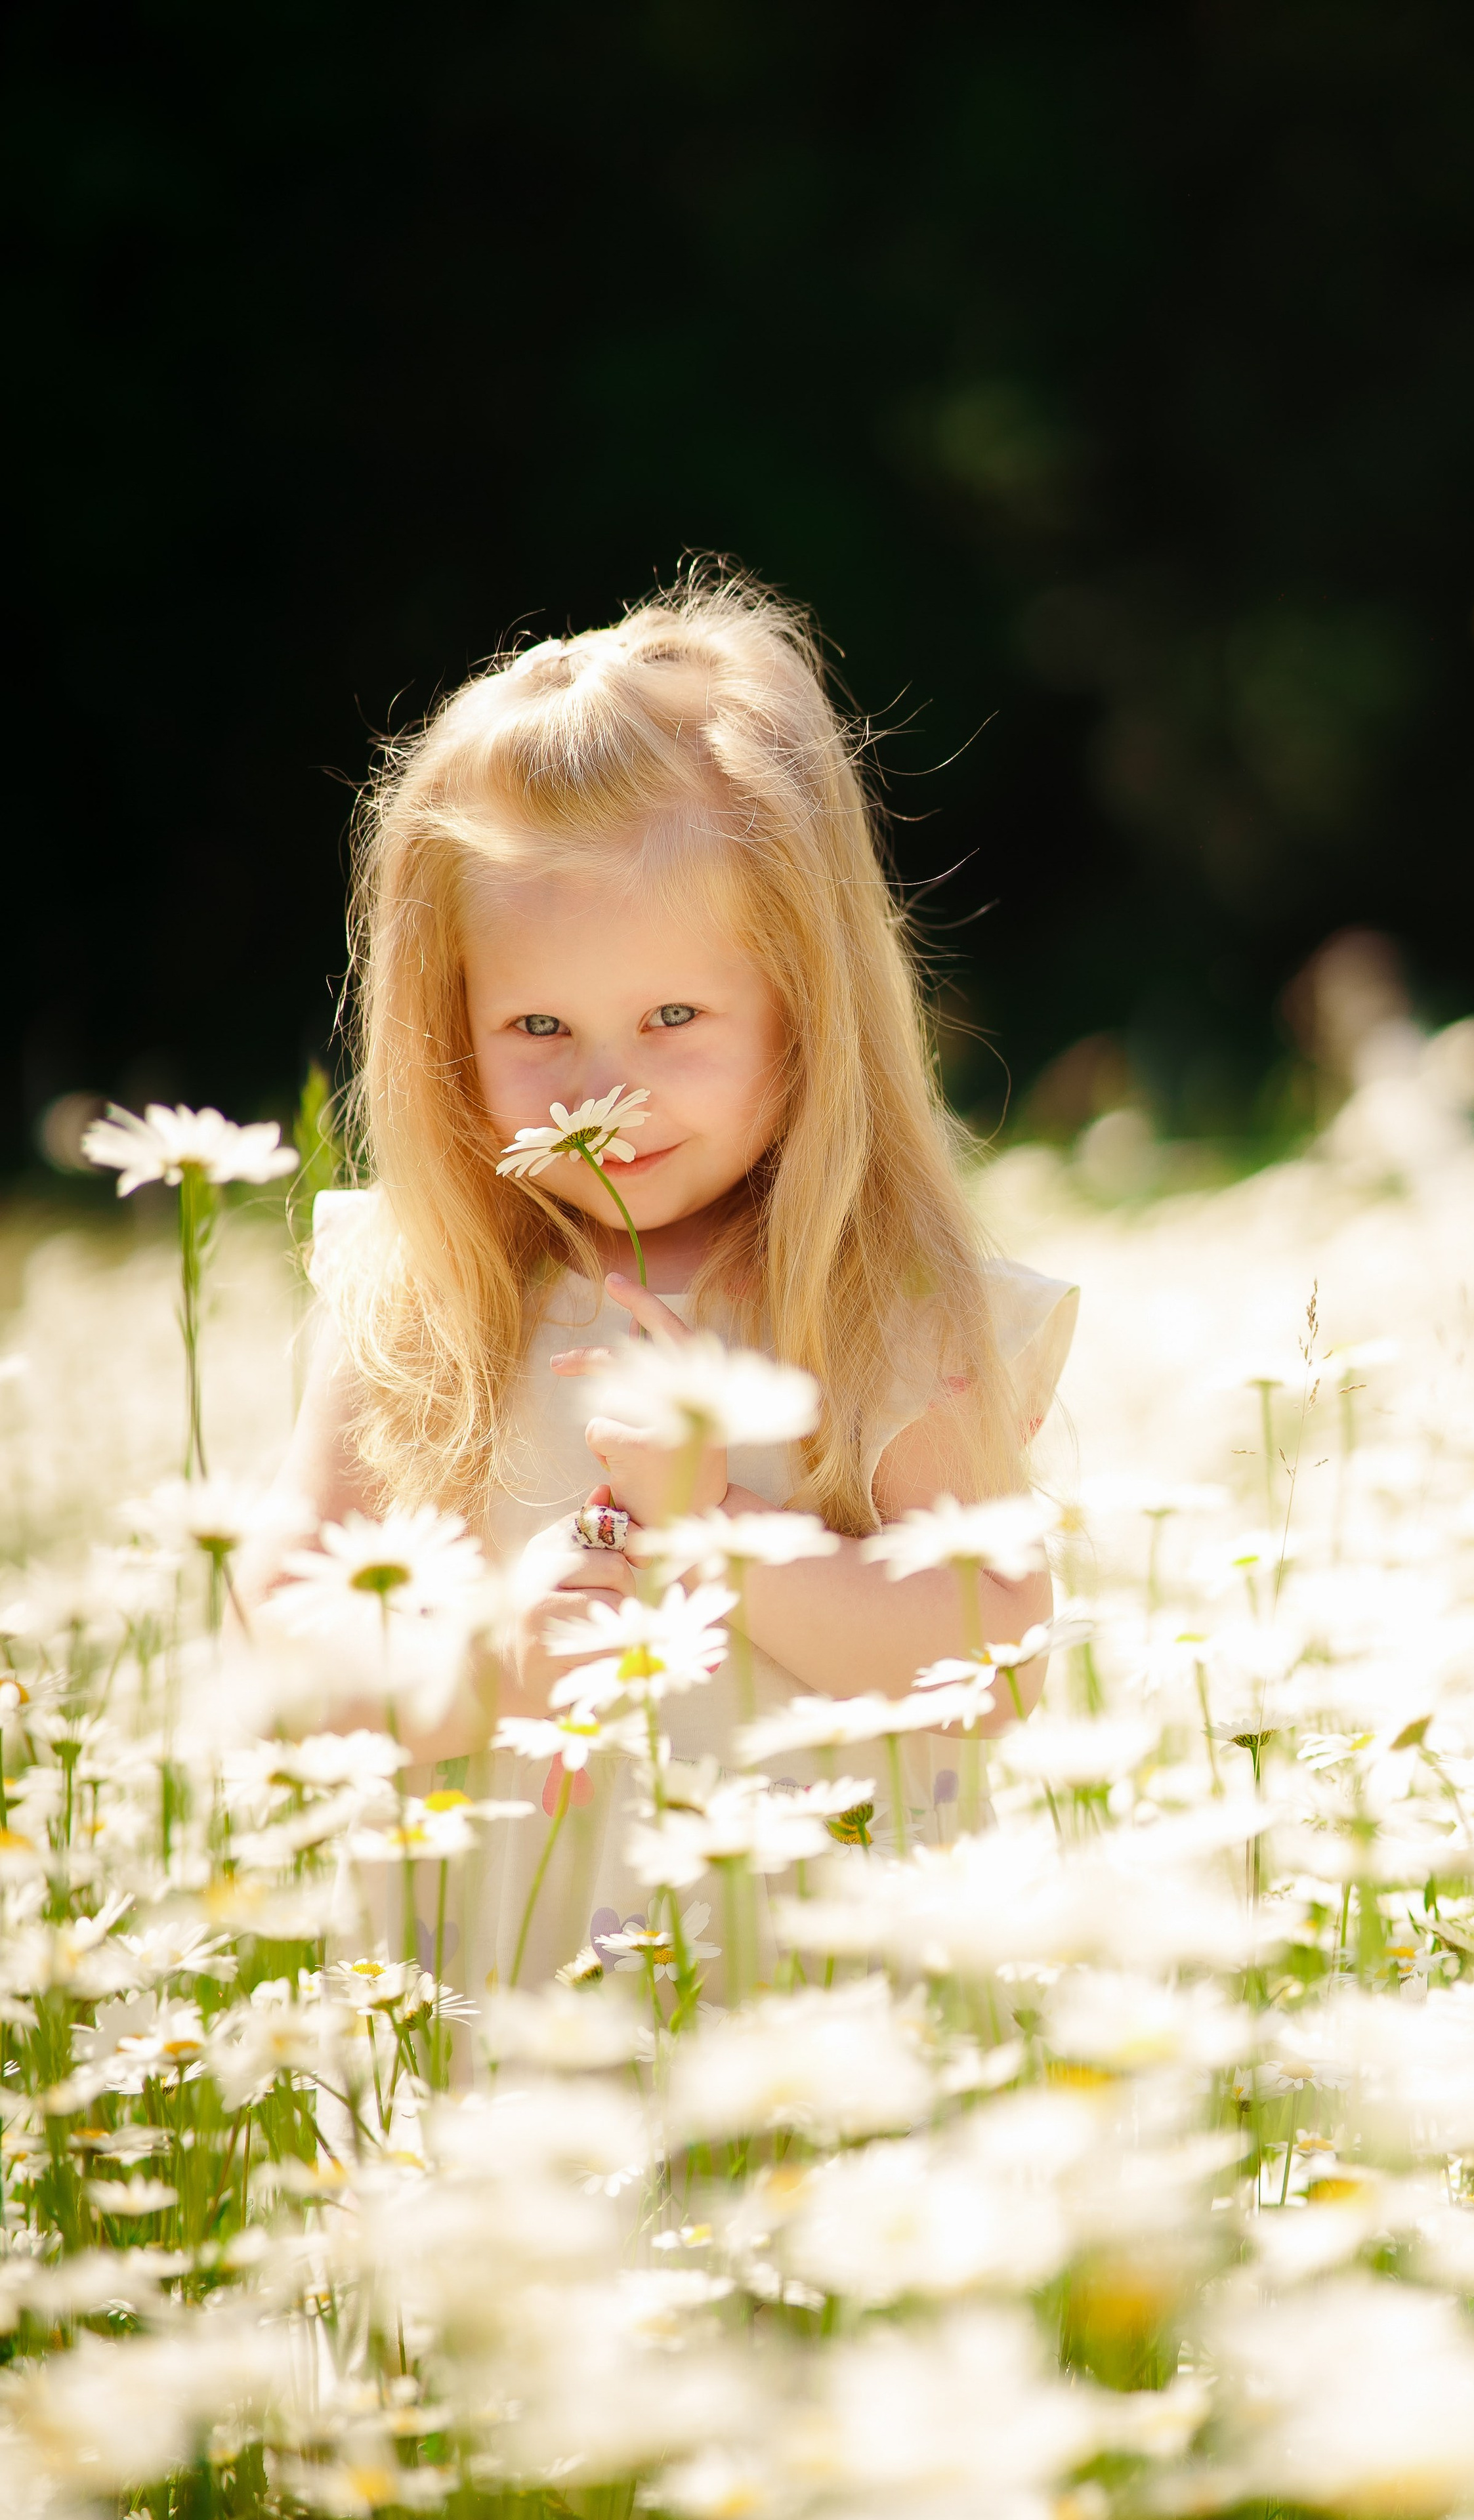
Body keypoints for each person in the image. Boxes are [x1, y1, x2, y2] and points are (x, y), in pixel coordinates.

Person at [276, 574, 1078, 1988]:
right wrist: (479, 1660)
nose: (604, 1088)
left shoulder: (870, 1307)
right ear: (444, 1035)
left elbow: (993, 1653)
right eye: (536, 1024)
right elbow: (285, 1644)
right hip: (495, 2015)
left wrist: (712, 1536)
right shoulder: (420, 1299)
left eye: (672, 1018)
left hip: (807, 2022)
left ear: (803, 1006)